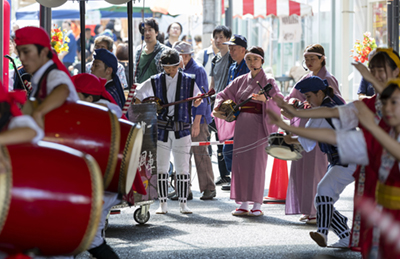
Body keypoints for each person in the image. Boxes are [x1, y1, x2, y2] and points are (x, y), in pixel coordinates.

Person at [276, 48, 400, 258]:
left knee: (324, 191)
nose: (377, 75)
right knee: (376, 238)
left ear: (396, 71)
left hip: (378, 173)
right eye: (373, 70)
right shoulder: (368, 104)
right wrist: (296, 115)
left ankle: (324, 232)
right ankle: (341, 232)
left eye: (382, 70)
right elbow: (337, 120)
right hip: (372, 177)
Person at [278, 76, 356, 248]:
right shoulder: (333, 102)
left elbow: (307, 142)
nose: (307, 101)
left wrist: (290, 140)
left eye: (308, 97)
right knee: (321, 198)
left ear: (319, 93)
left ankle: (323, 232)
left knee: (323, 192)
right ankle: (344, 234)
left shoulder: (321, 112)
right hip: (346, 159)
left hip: (346, 160)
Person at [213, 47, 283, 217]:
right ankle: (243, 203)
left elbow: (280, 101)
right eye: (249, 59)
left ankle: (257, 204)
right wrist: (219, 106)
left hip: (259, 126)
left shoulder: (269, 81)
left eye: (256, 59)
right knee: (241, 163)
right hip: (242, 127)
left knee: (257, 165)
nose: (252, 62)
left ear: (262, 61)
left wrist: (265, 100)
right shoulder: (240, 80)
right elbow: (223, 94)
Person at [282, 43, 344, 225]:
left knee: (316, 168)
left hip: (320, 127)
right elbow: (291, 98)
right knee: (302, 168)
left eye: (312, 58)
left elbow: (334, 102)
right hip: (304, 125)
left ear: (322, 59)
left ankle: (316, 210)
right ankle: (307, 209)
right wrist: (293, 101)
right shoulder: (305, 78)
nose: (309, 62)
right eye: (306, 59)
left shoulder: (329, 79)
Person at [134, 49, 202, 214]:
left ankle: (183, 204)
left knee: (182, 168)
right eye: (166, 67)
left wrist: (198, 100)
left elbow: (197, 98)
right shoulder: (155, 80)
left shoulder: (189, 80)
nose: (169, 70)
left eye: (172, 67)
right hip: (162, 128)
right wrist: (141, 107)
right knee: (162, 167)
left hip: (182, 128)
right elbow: (138, 94)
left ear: (179, 64)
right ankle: (162, 204)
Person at [173, 41, 216, 200]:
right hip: (182, 117)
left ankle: (209, 188)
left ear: (185, 55)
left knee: (200, 153)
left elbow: (202, 99)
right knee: (181, 154)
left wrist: (197, 122)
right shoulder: (177, 70)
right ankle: (183, 189)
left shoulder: (198, 70)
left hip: (198, 117)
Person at [14, 26, 79, 128]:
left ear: (44, 52)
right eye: (19, 52)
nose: (21, 58)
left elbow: (63, 90)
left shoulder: (54, 75)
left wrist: (38, 113)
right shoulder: (42, 75)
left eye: (26, 52)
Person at [216, 34, 250, 191]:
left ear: (243, 50)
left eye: (234, 48)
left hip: (246, 113)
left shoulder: (249, 66)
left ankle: (242, 178)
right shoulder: (232, 67)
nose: (231, 51)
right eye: (229, 48)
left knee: (241, 147)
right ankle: (235, 177)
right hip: (232, 113)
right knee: (228, 147)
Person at [208, 25, 233, 189]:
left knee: (229, 140)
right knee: (218, 140)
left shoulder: (232, 57)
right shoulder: (215, 59)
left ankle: (232, 175)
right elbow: (213, 82)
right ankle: (223, 174)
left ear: (228, 39)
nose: (218, 40)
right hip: (216, 103)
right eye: (216, 37)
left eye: (222, 37)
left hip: (228, 105)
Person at [135, 18, 169, 84]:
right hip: (141, 91)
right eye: (144, 30)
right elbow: (136, 73)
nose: (147, 33)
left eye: (150, 30)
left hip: (157, 91)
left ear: (156, 32)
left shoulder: (165, 51)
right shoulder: (139, 50)